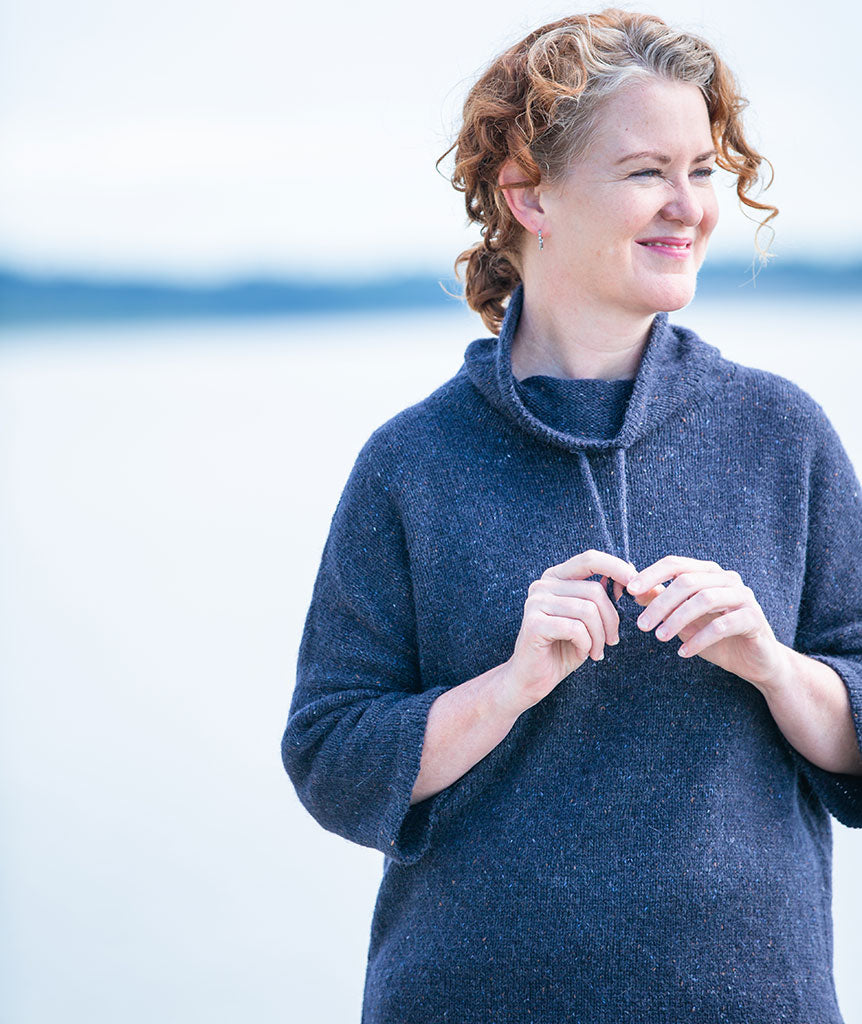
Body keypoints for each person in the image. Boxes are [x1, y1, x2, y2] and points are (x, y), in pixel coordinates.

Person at [282, 9, 862, 1022]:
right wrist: (507, 687)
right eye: (646, 172)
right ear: (527, 194)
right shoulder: (411, 464)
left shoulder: (782, 435)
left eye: (702, 169)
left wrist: (774, 665)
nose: (687, 206)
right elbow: (332, 758)